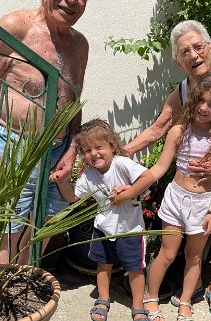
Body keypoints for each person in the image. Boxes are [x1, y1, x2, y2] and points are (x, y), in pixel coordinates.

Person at [124, 20, 211, 320]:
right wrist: (124, 151)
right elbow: (159, 127)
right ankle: (193, 284)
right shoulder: (183, 90)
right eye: (185, 51)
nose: (194, 54)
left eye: (198, 47)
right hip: (193, 179)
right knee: (191, 239)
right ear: (178, 61)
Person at [0, 0, 90, 264]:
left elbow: (74, 99)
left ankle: (22, 281)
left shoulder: (80, 45)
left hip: (57, 151)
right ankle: (0, 288)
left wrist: (72, 148)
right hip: (11, 146)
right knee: (8, 234)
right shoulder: (15, 28)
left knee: (43, 230)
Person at [142, 72, 211, 321]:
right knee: (168, 253)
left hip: (203, 204)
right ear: (193, 99)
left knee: (194, 257)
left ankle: (185, 301)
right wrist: (135, 184)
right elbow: (160, 167)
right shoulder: (178, 131)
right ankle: (151, 297)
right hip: (176, 199)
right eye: (201, 100)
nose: (204, 108)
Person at [53, 119, 154, 321]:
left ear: (112, 146)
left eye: (99, 147)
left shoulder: (121, 164)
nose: (94, 154)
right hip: (103, 229)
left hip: (131, 230)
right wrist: (62, 181)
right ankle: (103, 299)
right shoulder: (89, 175)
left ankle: (138, 306)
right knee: (103, 265)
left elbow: (147, 177)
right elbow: (73, 197)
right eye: (87, 150)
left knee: (135, 269)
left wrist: (126, 195)